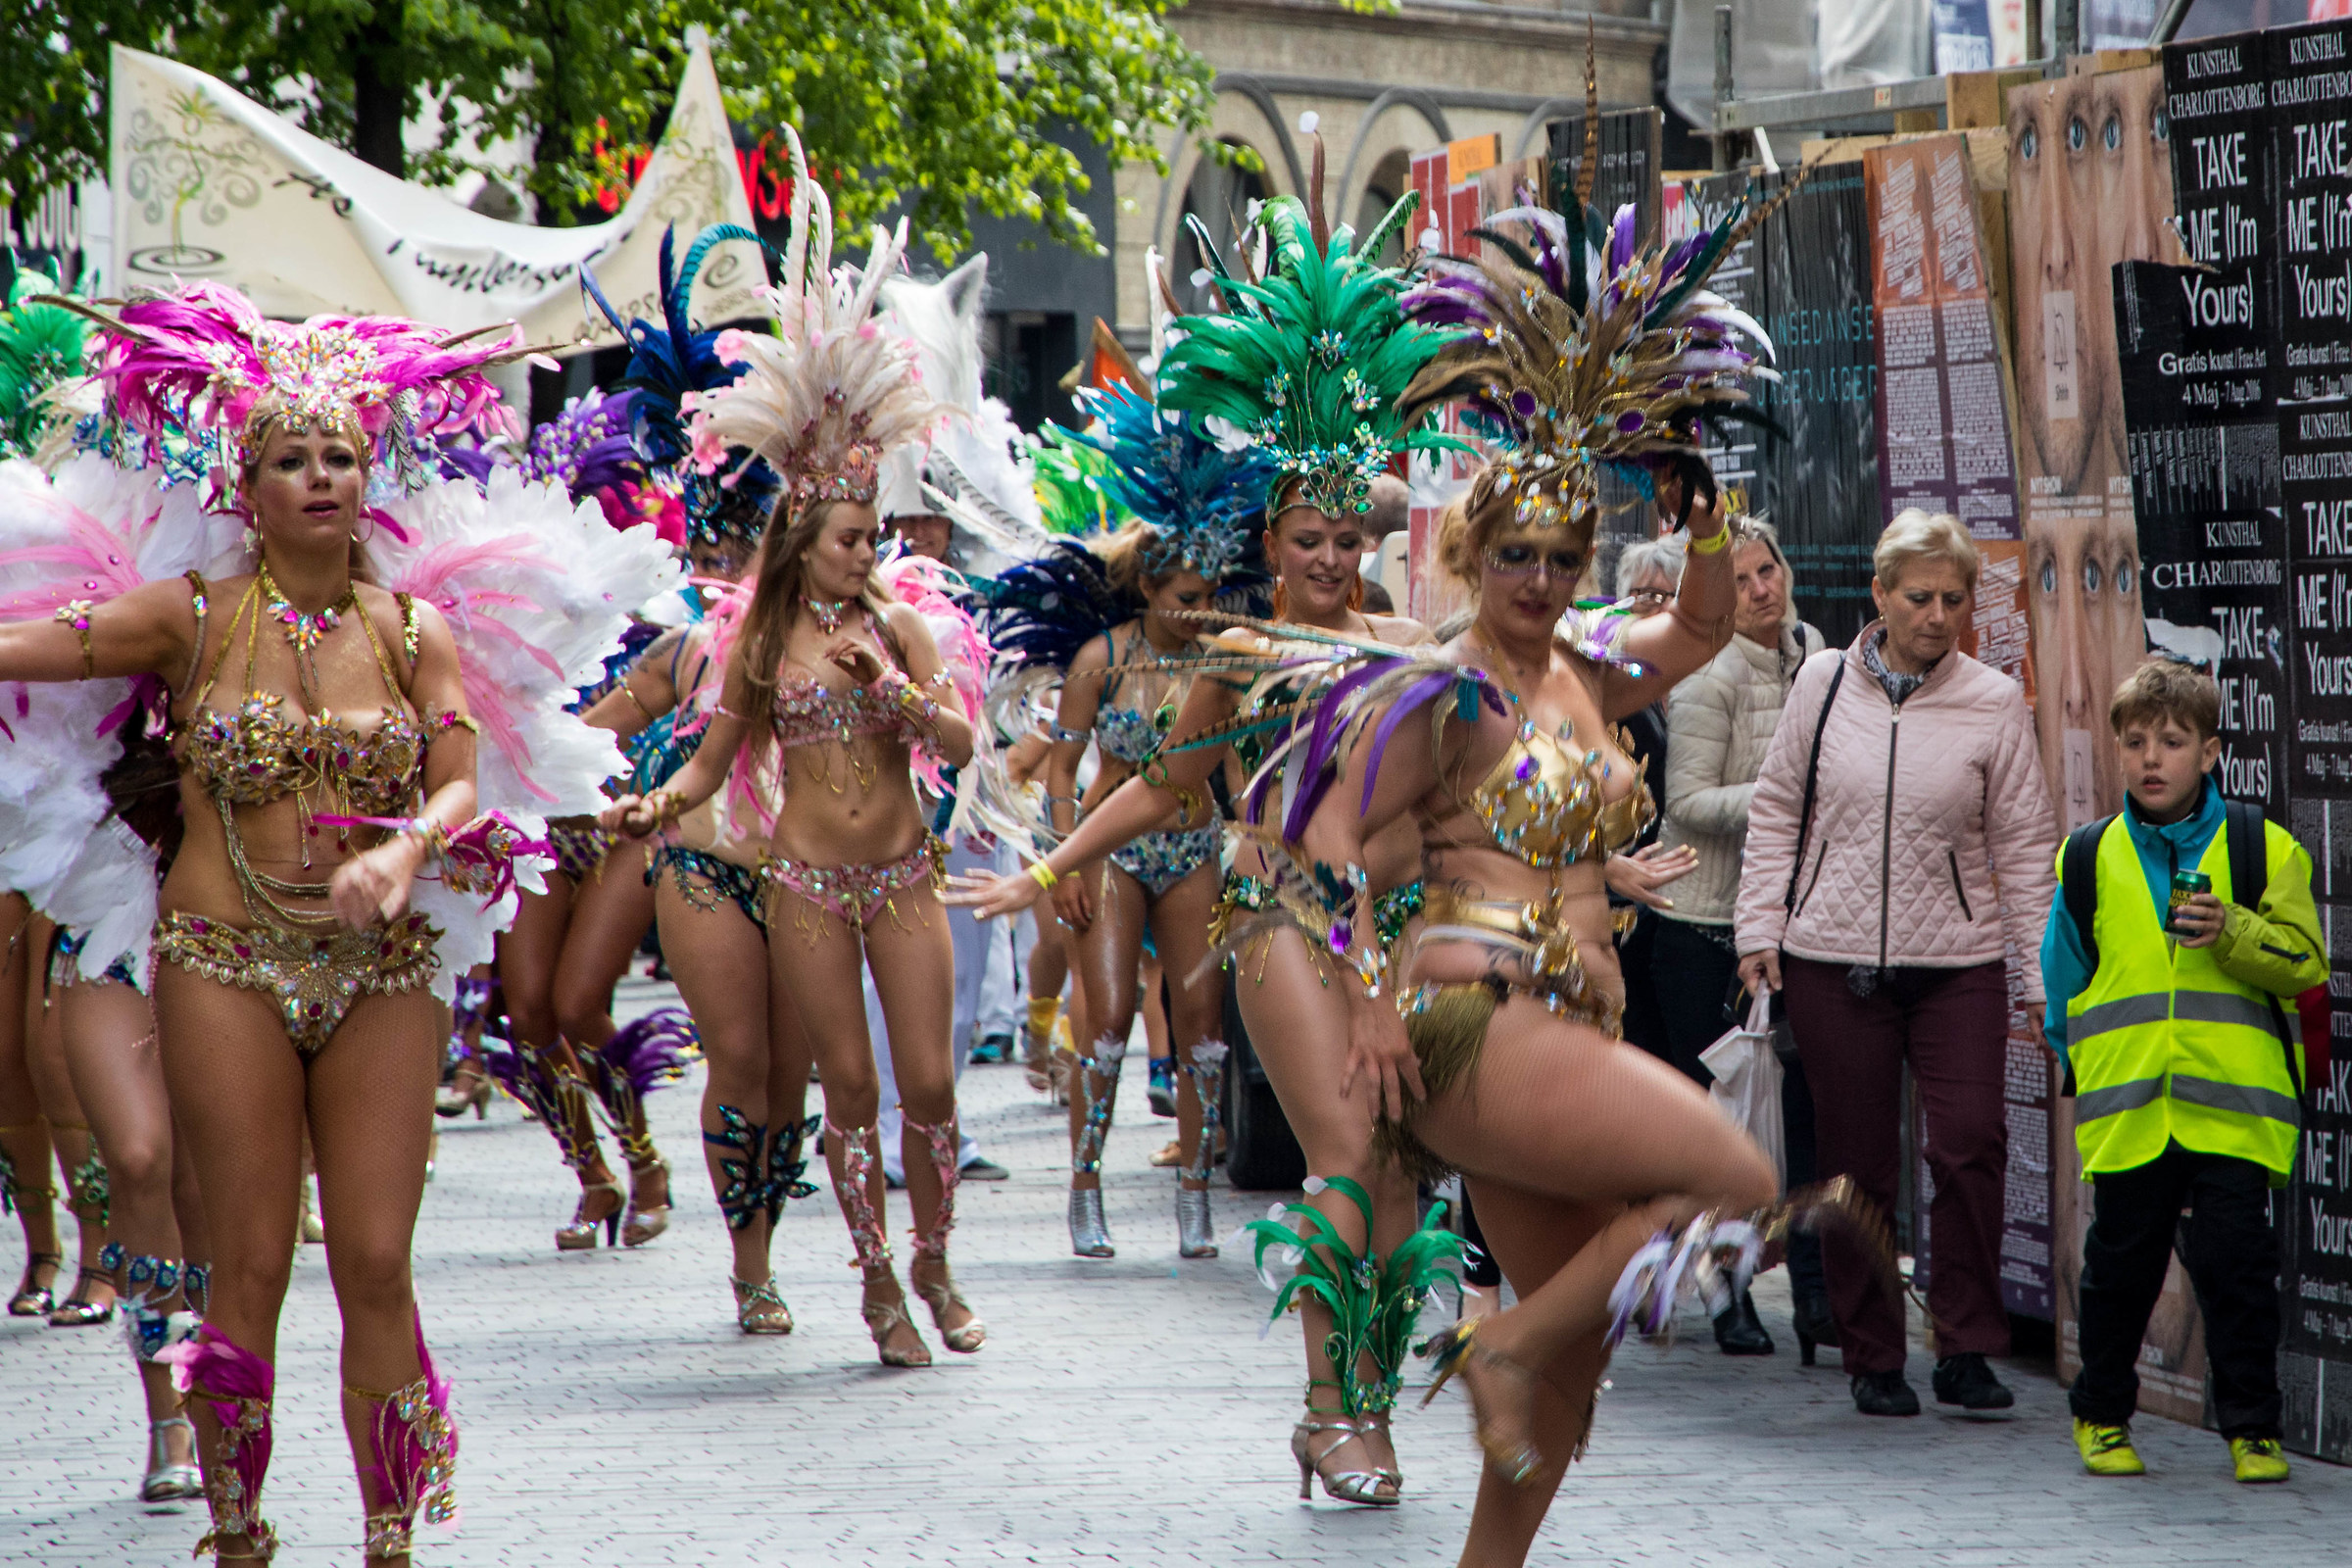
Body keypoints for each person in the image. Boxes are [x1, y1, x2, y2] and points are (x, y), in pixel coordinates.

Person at [1283, 150, 1800, 1568]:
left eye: (1565, 556)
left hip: (1573, 1016)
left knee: (1568, 1407)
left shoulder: (1583, 667)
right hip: (1474, 1012)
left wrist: (1705, 519)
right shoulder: (1443, 689)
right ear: (1470, 557)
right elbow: (1330, 838)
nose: (1542, 581)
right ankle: (1496, 1344)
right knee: (1737, 1186)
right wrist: (1369, 997)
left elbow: (1698, 632)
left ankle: (1509, 1442)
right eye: (1516, 555)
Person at [955, 205, 1451, 1502]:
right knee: (1346, 1158)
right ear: (1268, 544)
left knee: (1401, 1181)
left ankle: (1367, 1406)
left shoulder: (1405, 644)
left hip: (1393, 926)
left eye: (1351, 540)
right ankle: (1326, 1404)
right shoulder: (1234, 658)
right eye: (1310, 540)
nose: (1336, 560)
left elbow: (1476, 775)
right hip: (1276, 908)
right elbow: (1163, 792)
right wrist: (1053, 869)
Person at [604, 134, 986, 1369]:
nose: (863, 553)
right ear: (800, 540)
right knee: (853, 1094)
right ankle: (875, 1284)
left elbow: (962, 740)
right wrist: (651, 803)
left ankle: (935, 1257)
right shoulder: (760, 643)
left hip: (905, 877)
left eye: (872, 533)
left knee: (929, 1085)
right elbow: (713, 769)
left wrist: (906, 701)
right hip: (809, 887)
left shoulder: (906, 627)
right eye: (843, 538)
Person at [1736, 509, 2058, 1419]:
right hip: (1832, 957)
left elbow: (2027, 848)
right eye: (1920, 597)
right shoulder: (1823, 684)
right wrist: (1760, 930)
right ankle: (1872, 1352)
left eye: (1955, 599)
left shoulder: (1992, 701)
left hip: (1959, 960)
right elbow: (1775, 811)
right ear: (1880, 595)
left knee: (1968, 1147)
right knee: (1857, 1168)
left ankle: (1966, 1348)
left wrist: (2035, 981)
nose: (1938, 614)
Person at [982, 375, 1274, 1261]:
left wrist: (1251, 838)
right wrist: (1063, 862)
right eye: (1184, 590)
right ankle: (1084, 1186)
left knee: (1206, 1031)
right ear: (1148, 583)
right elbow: (1062, 769)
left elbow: (1230, 770)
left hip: (1191, 852)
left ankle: (1195, 1196)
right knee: (1106, 1025)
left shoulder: (1224, 661)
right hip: (1110, 854)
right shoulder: (1097, 660)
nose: (1198, 606)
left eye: (1210, 589)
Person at [2045, 660, 2320, 1484]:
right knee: (2121, 1272)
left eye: (2172, 742)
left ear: (2210, 752)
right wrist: (2082, 1066)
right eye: (2135, 743)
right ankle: (2100, 1417)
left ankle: (2253, 1430)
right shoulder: (2087, 855)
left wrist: (2232, 929)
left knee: (2239, 1270)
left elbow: (2306, 965)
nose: (2151, 759)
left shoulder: (2262, 846)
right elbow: (2064, 988)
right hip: (2131, 1109)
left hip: (2235, 1106)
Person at [1652, 514, 1829, 1357]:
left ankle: (1818, 1294)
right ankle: (1726, 1293)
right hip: (1702, 926)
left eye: (1771, 570)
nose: (1763, 589)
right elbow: (1684, 804)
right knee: (1722, 1123)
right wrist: (1785, 792)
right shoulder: (1705, 675)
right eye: (1744, 579)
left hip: (1795, 921)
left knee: (1802, 1115)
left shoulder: (1816, 654)